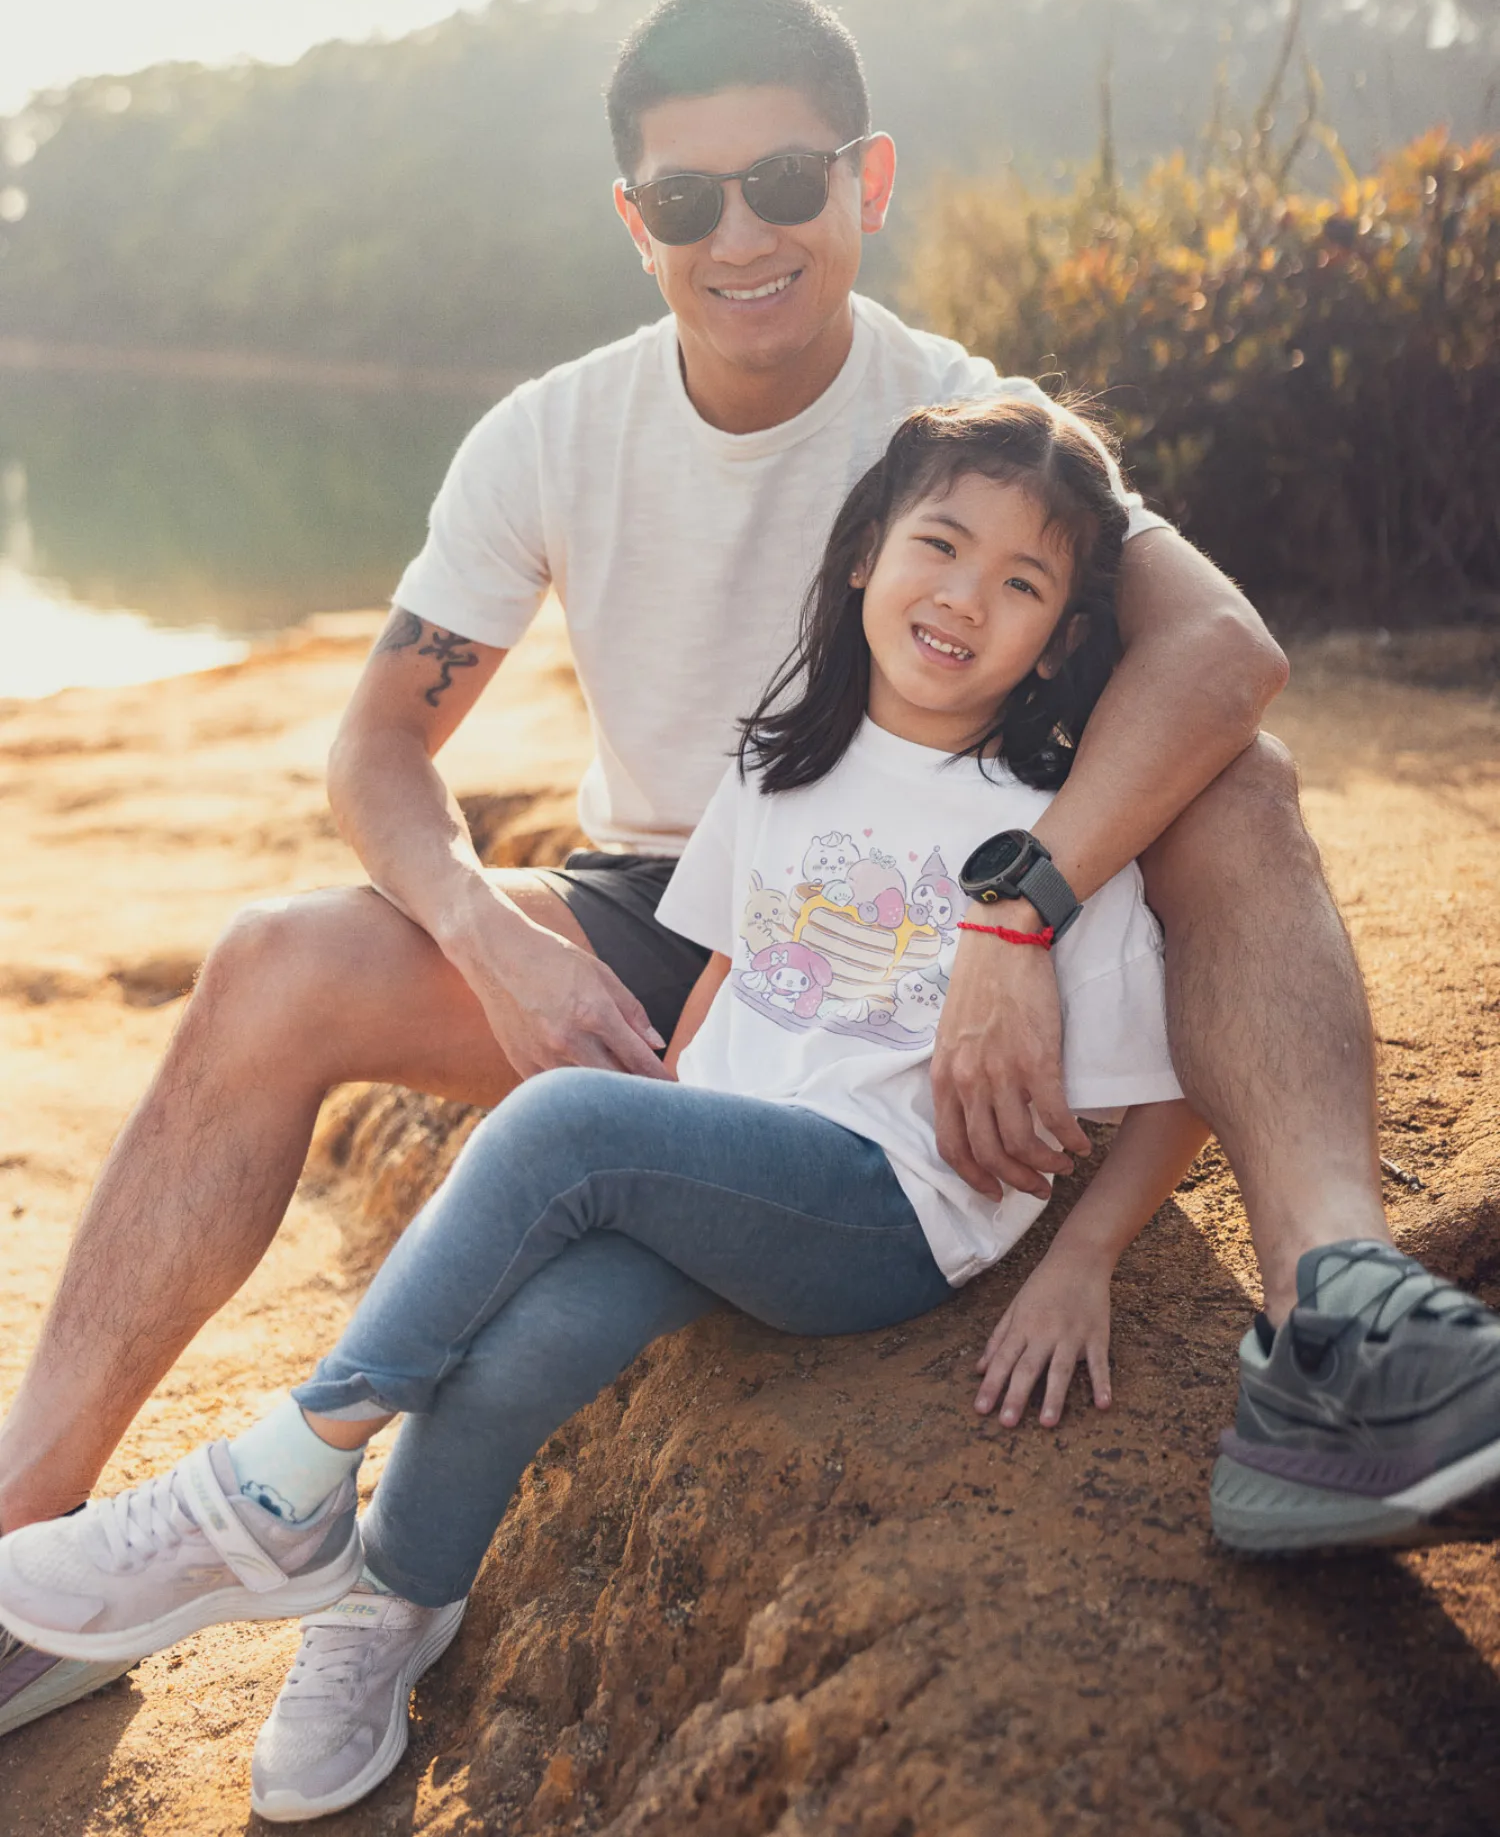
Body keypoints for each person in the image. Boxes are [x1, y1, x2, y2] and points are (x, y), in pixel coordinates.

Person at [3, 0, 1497, 1747]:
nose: (744, 235)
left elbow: (1223, 651)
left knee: (1240, 780)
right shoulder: (553, 432)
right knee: (271, 960)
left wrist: (1017, 917)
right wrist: (490, 931)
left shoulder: (962, 421)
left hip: (942, 908)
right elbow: (380, 750)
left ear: (865, 183)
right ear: (637, 222)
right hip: (672, 899)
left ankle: (1338, 1316)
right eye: (691, 200)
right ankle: (34, 1557)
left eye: (785, 182)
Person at [0, 397, 1217, 1822]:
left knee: (569, 1119)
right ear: (860, 559)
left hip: (887, 1211)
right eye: (939, 546)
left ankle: (269, 1486)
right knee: (523, 1347)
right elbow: (715, 992)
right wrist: (660, 1150)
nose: (965, 598)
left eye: (1023, 585)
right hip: (741, 1180)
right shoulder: (782, 767)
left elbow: (1176, 1076)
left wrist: (1080, 1262)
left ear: (1063, 638)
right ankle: (391, 1603)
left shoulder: (1053, 828)